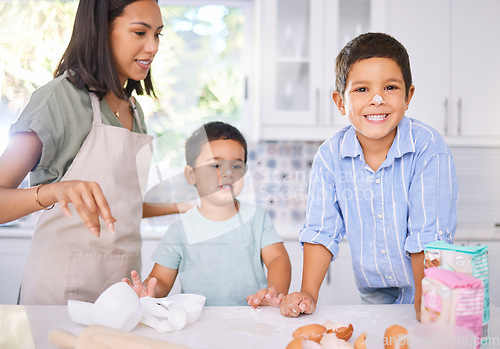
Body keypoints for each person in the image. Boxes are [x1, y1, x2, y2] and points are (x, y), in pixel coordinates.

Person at [0, 0, 188, 305]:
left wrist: (190, 207)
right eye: (140, 32)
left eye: (157, 35)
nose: (152, 47)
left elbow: (123, 206)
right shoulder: (58, 100)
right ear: (102, 30)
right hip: (59, 296)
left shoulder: (134, 110)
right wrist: (53, 192)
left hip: (121, 292)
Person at [279, 32, 458, 320]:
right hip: (374, 293)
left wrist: (426, 300)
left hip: (427, 285)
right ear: (340, 102)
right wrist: (308, 293)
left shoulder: (428, 148)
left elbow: (428, 236)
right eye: (362, 89)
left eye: (389, 87)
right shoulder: (330, 156)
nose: (377, 100)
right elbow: (321, 232)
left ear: (408, 96)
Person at [123, 121, 292, 306]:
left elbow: (278, 259)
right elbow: (161, 279)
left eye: (236, 166)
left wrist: (274, 292)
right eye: (215, 165)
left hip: (251, 319)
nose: (228, 173)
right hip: (198, 323)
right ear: (191, 175)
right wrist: (149, 291)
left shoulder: (257, 218)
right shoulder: (180, 229)